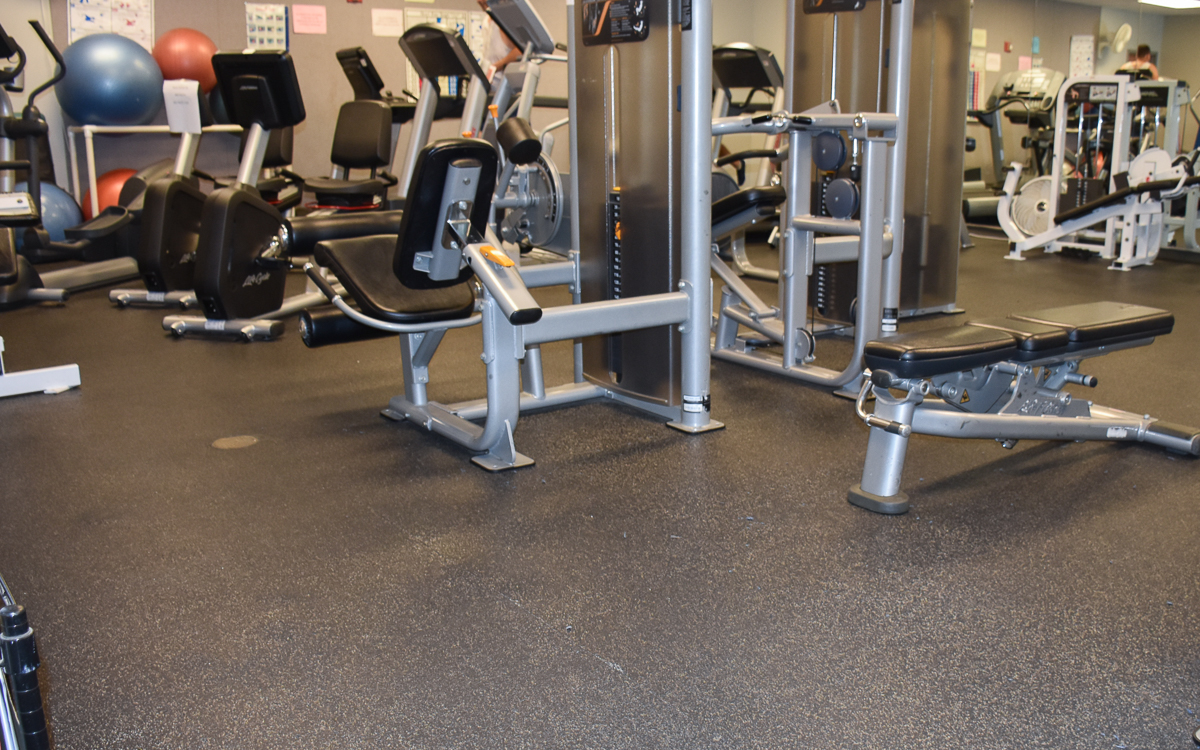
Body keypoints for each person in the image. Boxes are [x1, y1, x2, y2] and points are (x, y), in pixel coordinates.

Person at [477, 0, 522, 81]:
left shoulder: (506, 19)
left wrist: (495, 67)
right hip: (489, 85)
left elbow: (520, 51)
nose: (479, 1)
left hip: (505, 85)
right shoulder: (486, 20)